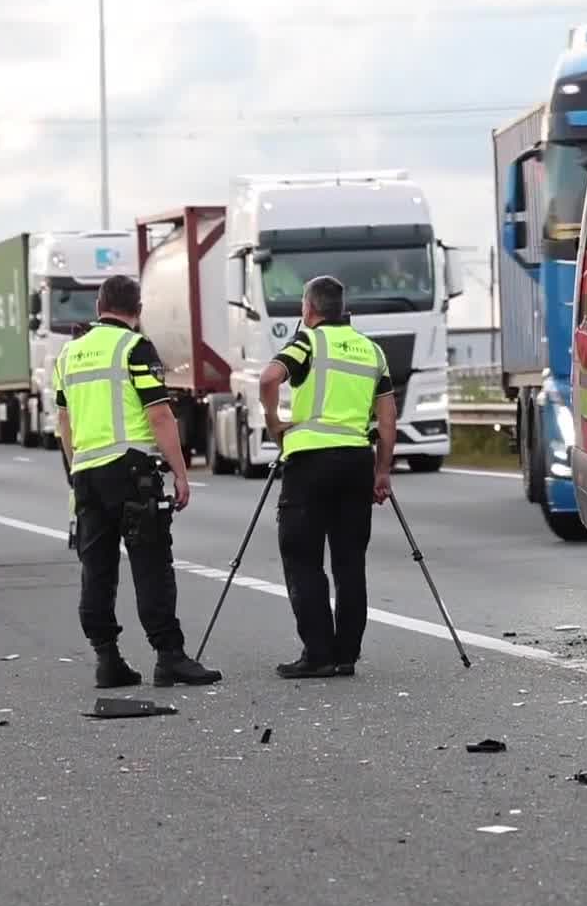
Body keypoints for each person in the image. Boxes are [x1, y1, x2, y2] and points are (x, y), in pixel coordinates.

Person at [51, 274, 222, 689]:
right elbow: (159, 413)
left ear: (98, 307)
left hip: (87, 475)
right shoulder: (135, 348)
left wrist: (75, 470)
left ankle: (107, 659)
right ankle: (169, 656)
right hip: (130, 472)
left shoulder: (68, 355)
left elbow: (64, 421)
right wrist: (181, 473)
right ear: (138, 311)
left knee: (97, 570)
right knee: (151, 566)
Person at [259, 275, 397, 679]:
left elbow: (268, 378)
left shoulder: (307, 341)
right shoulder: (372, 352)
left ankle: (317, 652)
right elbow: (387, 419)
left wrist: (274, 422)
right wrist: (382, 471)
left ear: (309, 310)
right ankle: (346, 655)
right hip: (356, 461)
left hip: (308, 464)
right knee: (350, 562)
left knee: (302, 558)